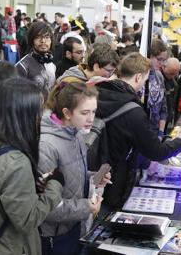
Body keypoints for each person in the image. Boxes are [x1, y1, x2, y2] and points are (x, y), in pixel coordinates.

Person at [0, 77, 64, 255]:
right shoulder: (16, 162)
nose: (41, 116)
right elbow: (27, 219)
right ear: (23, 114)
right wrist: (55, 186)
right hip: (11, 246)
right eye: (38, 110)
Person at [95, 52, 181, 209]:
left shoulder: (96, 93)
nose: (143, 85)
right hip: (114, 178)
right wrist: (180, 142)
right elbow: (156, 151)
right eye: (144, 80)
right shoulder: (133, 111)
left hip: (93, 172)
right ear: (137, 77)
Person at [39, 81, 112, 255]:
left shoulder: (76, 132)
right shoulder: (46, 146)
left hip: (72, 226)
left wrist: (93, 177)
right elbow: (46, 205)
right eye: (85, 113)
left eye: (94, 112)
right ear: (67, 113)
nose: (91, 119)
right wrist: (86, 207)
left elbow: (70, 173)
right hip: (53, 236)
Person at [16, 21, 56, 97]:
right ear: (32, 40)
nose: (43, 41)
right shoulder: (22, 66)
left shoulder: (50, 63)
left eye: (47, 37)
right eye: (38, 37)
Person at [147, 39, 169, 136]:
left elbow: (163, 107)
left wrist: (160, 132)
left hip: (155, 131)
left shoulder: (159, 76)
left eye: (164, 60)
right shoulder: (140, 77)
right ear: (150, 56)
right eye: (159, 59)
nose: (162, 63)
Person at [162, 57, 181, 132]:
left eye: (175, 73)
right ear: (163, 67)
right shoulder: (159, 80)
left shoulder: (174, 80)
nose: (173, 76)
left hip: (168, 117)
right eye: (171, 73)